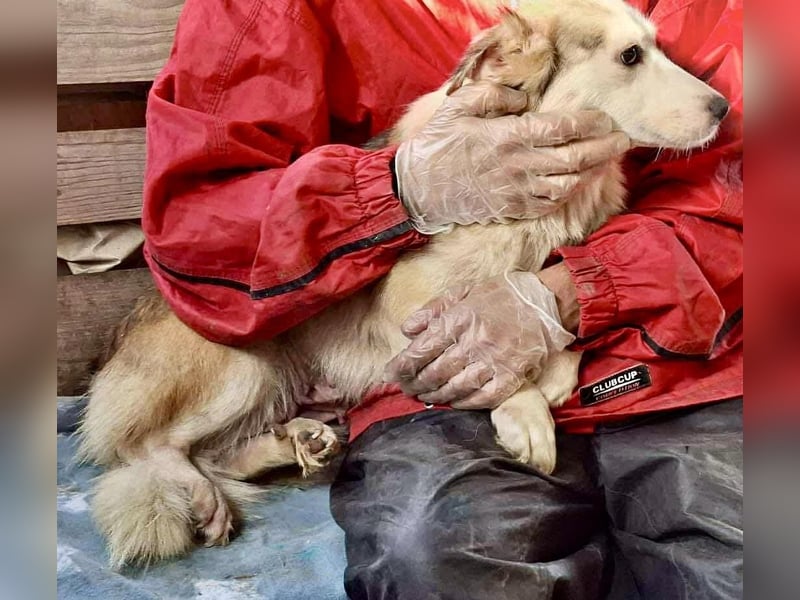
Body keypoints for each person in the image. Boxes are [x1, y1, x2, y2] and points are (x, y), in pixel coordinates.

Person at [142, 0, 742, 598]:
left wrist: (569, 295)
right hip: (422, 386)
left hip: (673, 358)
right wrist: (395, 189)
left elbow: (757, 198)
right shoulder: (266, 11)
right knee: (439, 560)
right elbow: (202, 229)